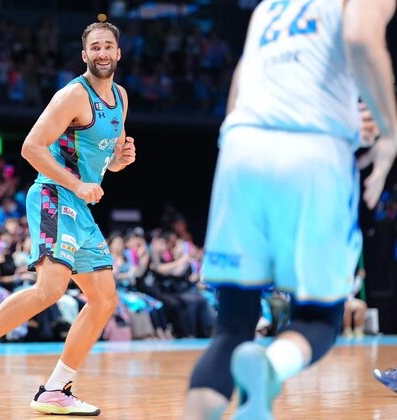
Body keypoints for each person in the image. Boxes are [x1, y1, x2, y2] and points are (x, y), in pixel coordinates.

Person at [184, 1, 397, 419]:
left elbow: (241, 89)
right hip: (312, 152)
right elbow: (360, 37)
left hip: (240, 148)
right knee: (318, 318)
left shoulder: (268, 7)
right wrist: (389, 132)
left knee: (231, 328)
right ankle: (270, 367)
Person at [0, 21, 136, 416]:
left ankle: (55, 389)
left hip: (79, 205)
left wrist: (120, 160)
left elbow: (107, 160)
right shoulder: (73, 95)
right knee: (50, 289)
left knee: (104, 299)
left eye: (107, 46)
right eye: (95, 47)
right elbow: (31, 147)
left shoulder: (121, 97)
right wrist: (76, 185)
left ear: (118, 53)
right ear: (85, 55)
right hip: (53, 194)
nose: (101, 53)